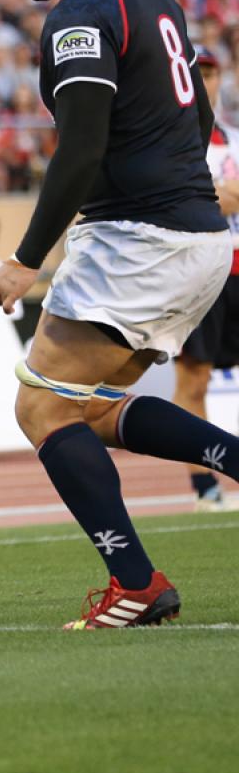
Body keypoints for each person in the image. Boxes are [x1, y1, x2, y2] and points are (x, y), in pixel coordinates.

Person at [0, 0, 237, 630]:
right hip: (200, 238)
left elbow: (81, 148)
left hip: (139, 242)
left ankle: (135, 583)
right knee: (88, 407)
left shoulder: (80, 13)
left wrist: (26, 260)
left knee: (42, 407)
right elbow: (201, 116)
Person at [173, 46, 239, 512]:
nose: (206, 81)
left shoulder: (234, 139)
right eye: (199, 72)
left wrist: (211, 195)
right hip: (199, 272)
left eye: (212, 73)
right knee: (194, 380)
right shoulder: (173, 142)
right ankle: (205, 487)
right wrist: (215, 196)